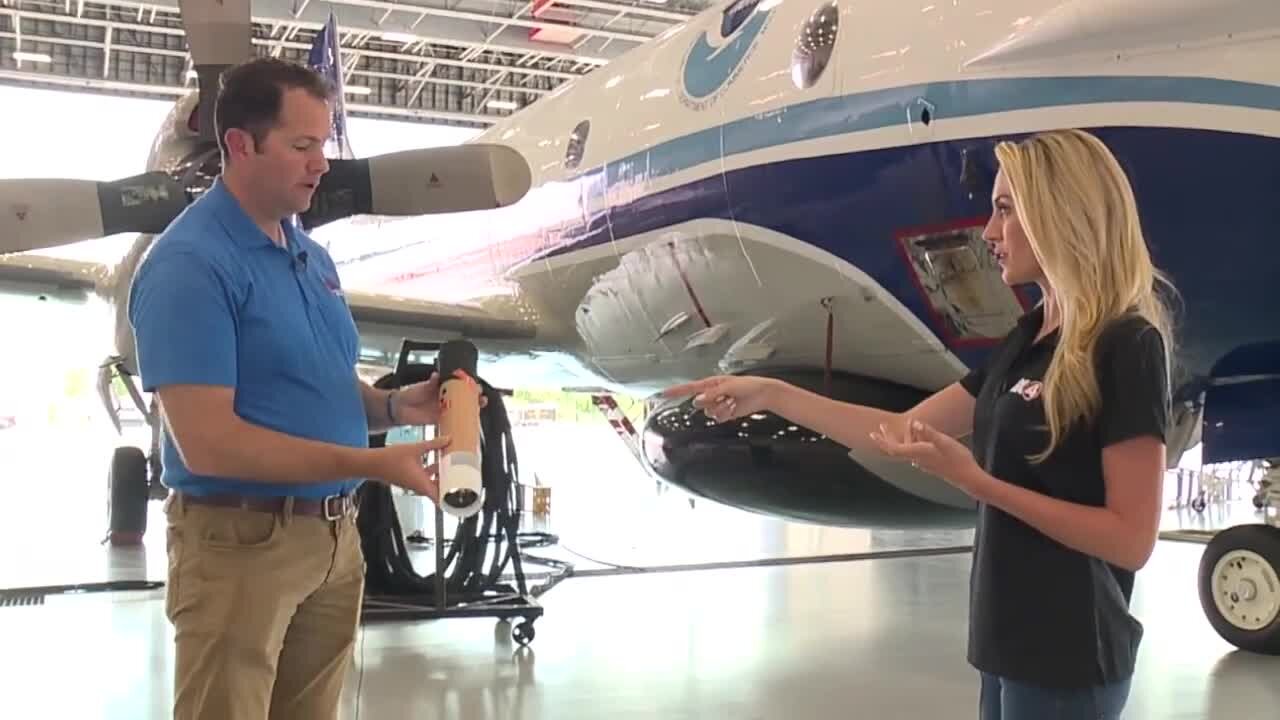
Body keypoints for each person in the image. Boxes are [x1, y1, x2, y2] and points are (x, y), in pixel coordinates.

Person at [664, 129, 1173, 720]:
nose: (988, 232)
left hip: (1070, 657)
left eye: (1005, 209)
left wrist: (977, 483)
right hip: (1006, 645)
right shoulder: (1029, 337)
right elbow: (899, 432)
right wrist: (774, 394)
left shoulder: (1128, 345)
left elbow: (1129, 541)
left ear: (1062, 215)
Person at [127, 57, 458, 720]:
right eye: (303, 145)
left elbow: (321, 379)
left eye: (325, 145)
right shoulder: (190, 266)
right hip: (241, 545)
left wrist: (392, 406)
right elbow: (211, 446)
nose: (322, 164)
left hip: (332, 540)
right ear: (240, 145)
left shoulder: (310, 256)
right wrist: (371, 463)